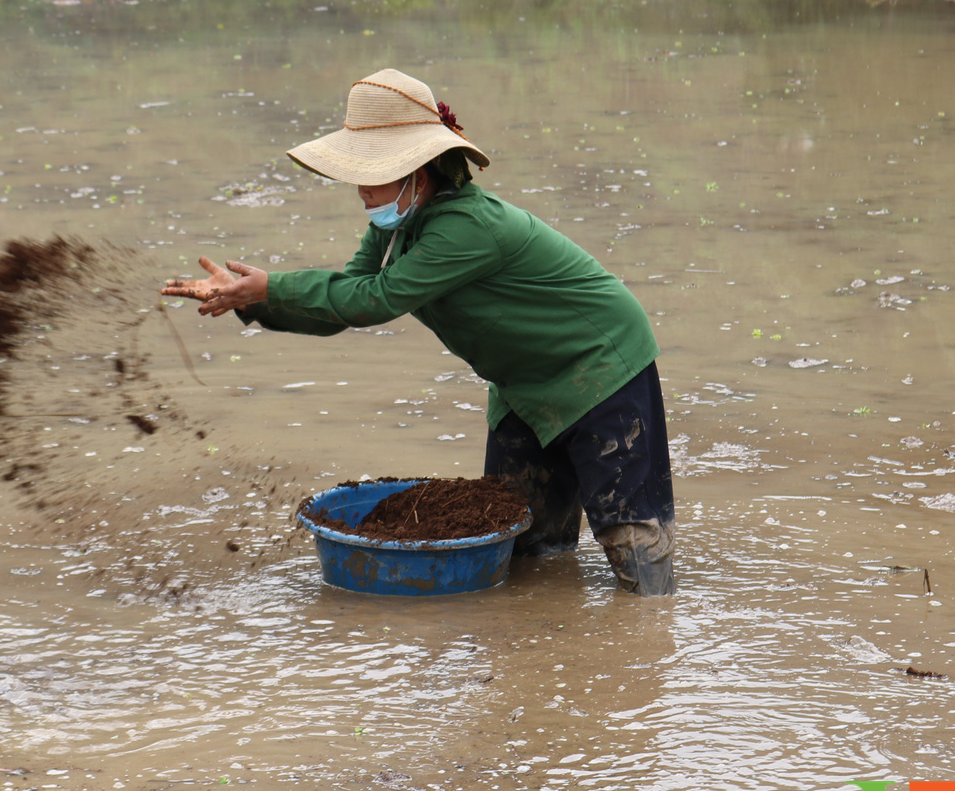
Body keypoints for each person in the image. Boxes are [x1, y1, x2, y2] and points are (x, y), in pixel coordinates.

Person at [162, 69, 677, 595]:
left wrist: (269, 287)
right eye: (357, 173)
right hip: (523, 384)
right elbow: (345, 301)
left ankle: (650, 644)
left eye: (373, 172)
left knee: (632, 542)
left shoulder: (467, 227)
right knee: (523, 541)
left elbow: (375, 300)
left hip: (600, 367)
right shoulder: (396, 228)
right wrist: (252, 299)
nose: (361, 189)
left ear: (418, 173)